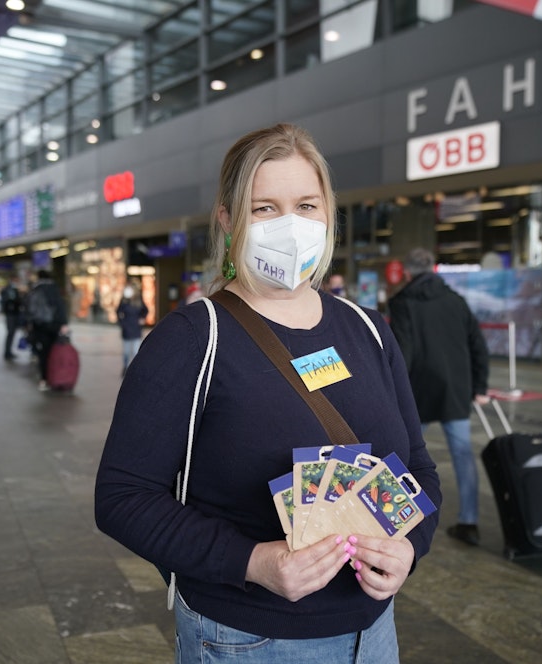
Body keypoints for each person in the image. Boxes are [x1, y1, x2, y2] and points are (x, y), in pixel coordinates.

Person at [95, 123, 441, 663]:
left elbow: (418, 467)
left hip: (374, 634)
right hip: (249, 639)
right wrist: (254, 562)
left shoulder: (368, 329)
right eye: (264, 209)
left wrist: (409, 548)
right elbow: (122, 498)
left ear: (328, 213)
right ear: (228, 221)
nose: (290, 226)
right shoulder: (191, 340)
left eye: (306, 205)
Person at [388, 248, 490, 547]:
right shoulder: (455, 300)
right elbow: (478, 345)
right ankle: (469, 521)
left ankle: (398, 520)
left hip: (417, 392)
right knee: (463, 456)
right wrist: (480, 386)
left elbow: (402, 352)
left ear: (407, 273)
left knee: (404, 456)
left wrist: (391, 391)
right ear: (433, 269)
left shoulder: (402, 302)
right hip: (455, 392)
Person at [26, 270, 69, 391]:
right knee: (54, 352)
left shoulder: (35, 289)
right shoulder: (53, 288)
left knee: (43, 354)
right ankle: (55, 377)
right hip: (54, 325)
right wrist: (64, 323)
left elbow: (29, 308)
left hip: (39, 326)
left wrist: (29, 323)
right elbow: (60, 306)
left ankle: (44, 380)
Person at [115, 284, 148, 375]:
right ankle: (125, 367)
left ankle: (134, 369)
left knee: (135, 351)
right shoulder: (124, 301)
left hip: (136, 329)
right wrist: (122, 323)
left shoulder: (139, 301)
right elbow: (118, 312)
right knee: (126, 352)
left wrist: (142, 318)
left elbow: (145, 310)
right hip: (126, 329)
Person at [0, 275, 24, 360]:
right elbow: (12, 301)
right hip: (11, 314)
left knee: (12, 333)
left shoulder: (13, 289)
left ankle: (9, 352)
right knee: (10, 333)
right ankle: (7, 353)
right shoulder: (9, 289)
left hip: (14, 314)